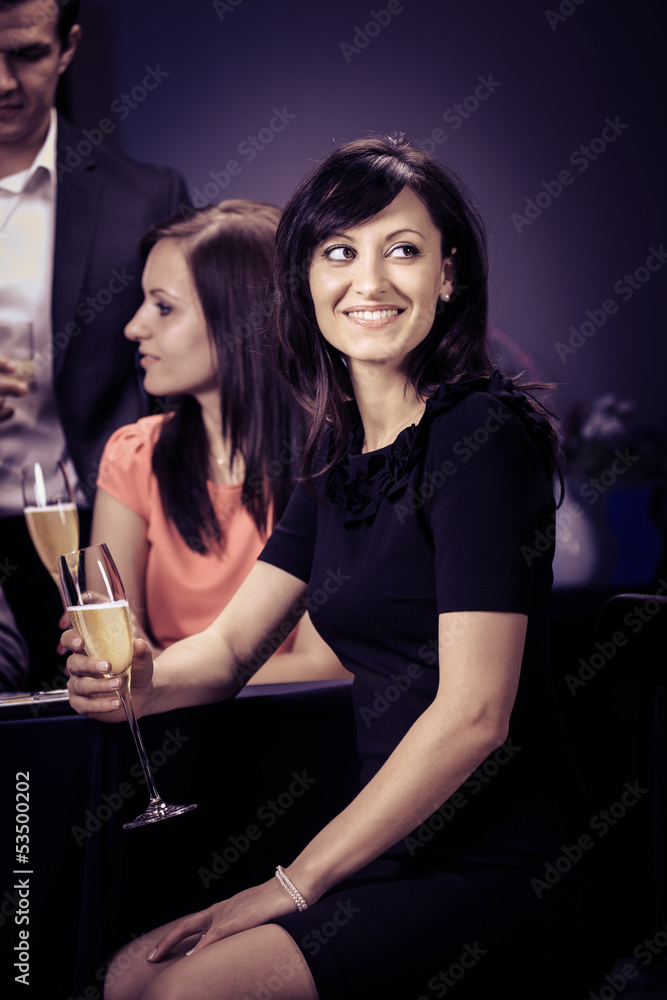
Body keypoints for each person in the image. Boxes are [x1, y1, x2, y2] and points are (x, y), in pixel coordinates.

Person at [64, 135, 619, 1000]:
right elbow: (225, 654)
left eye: (403, 250)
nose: (369, 282)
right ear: (303, 281)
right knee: (127, 973)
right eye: (338, 252)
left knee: (181, 993)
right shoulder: (338, 455)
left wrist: (288, 886)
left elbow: (473, 715)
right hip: (389, 850)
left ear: (449, 276)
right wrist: (137, 681)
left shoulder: (477, 433)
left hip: (510, 870)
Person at [0, 0, 188, 685]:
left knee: (95, 736)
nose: (2, 82)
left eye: (25, 53)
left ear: (69, 46)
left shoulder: (145, 196)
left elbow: (186, 371)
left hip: (94, 528)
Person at [91, 198, 346, 681]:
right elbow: (114, 651)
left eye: (164, 307)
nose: (134, 326)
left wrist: (162, 674)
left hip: (300, 731)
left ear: (241, 321)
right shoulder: (133, 455)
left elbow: (324, 666)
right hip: (163, 734)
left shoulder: (338, 462)